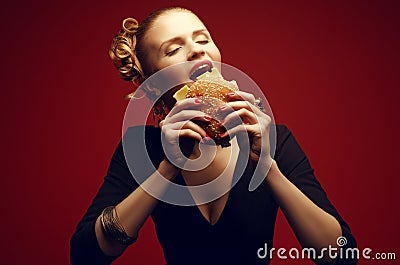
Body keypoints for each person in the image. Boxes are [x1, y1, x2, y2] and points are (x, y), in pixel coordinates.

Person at [70, 7, 357, 265]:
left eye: (203, 39)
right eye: (173, 49)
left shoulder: (274, 139)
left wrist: (268, 167)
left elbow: (342, 256)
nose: (197, 50)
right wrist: (168, 168)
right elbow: (85, 256)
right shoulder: (142, 146)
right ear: (152, 85)